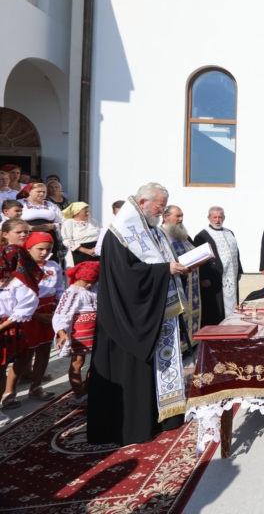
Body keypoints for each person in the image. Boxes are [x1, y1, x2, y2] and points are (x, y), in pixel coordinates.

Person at [87, 183, 189, 446]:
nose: (161, 212)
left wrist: (175, 269)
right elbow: (128, 277)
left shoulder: (151, 230)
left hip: (154, 310)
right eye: (159, 206)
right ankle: (134, 425)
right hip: (127, 317)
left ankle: (162, 415)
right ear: (143, 202)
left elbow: (155, 263)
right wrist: (165, 271)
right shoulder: (119, 233)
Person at [0, 244, 42, 411]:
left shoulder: (20, 283)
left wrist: (2, 326)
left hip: (6, 328)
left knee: (1, 369)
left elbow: (21, 310)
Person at [53, 261, 100, 406]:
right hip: (79, 334)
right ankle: (80, 395)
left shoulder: (94, 288)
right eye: (87, 281)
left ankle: (89, 390)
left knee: (97, 363)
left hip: (95, 331)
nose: (89, 284)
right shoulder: (71, 293)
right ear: (80, 277)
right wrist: (62, 333)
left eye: (93, 282)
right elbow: (61, 313)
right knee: (77, 362)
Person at [24, 232, 63, 401]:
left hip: (49, 310)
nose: (44, 252)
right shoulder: (23, 267)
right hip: (29, 310)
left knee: (45, 348)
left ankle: (36, 386)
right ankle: (9, 392)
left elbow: (59, 289)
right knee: (26, 351)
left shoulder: (53, 266)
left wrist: (57, 309)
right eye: (40, 249)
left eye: (48, 249)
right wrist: (36, 314)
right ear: (28, 248)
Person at [193, 206, 243, 327]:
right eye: (214, 217)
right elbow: (200, 258)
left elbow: (235, 252)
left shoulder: (229, 232)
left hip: (231, 275)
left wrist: (239, 270)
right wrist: (204, 276)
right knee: (216, 307)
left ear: (224, 218)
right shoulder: (202, 236)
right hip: (214, 277)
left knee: (232, 303)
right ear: (209, 218)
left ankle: (232, 325)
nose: (217, 220)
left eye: (220, 217)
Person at [162, 206, 202, 345]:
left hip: (189, 281)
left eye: (182, 216)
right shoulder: (161, 235)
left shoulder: (182, 234)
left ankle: (190, 343)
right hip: (174, 284)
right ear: (165, 217)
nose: (181, 219)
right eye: (177, 216)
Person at [18, 183, 63, 264]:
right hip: (27, 235)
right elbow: (11, 221)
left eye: (44, 192)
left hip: (48, 236)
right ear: (29, 191)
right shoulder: (20, 203)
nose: (41, 194)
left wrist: (53, 226)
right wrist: (31, 228)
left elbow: (62, 221)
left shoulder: (51, 205)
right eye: (38, 191)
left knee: (49, 259)